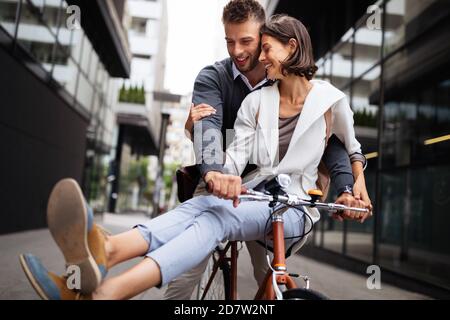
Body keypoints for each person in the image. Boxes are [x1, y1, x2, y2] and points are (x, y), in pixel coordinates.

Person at [19, 13, 371, 300]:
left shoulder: (330, 100)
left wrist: (352, 190)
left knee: (217, 221)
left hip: (293, 209)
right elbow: (229, 148)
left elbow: (345, 149)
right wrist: (219, 173)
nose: (258, 57)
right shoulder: (253, 100)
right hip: (251, 194)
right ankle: (103, 261)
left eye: (262, 47)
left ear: (291, 47)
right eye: (234, 43)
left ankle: (105, 276)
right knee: (203, 210)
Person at [165, 0, 371, 299]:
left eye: (247, 41)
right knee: (188, 266)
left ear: (265, 38)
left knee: (271, 274)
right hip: (223, 177)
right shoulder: (214, 77)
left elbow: (332, 143)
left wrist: (347, 187)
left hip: (271, 190)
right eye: (229, 41)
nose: (237, 51)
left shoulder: (285, 78)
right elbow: (208, 128)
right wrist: (212, 173)